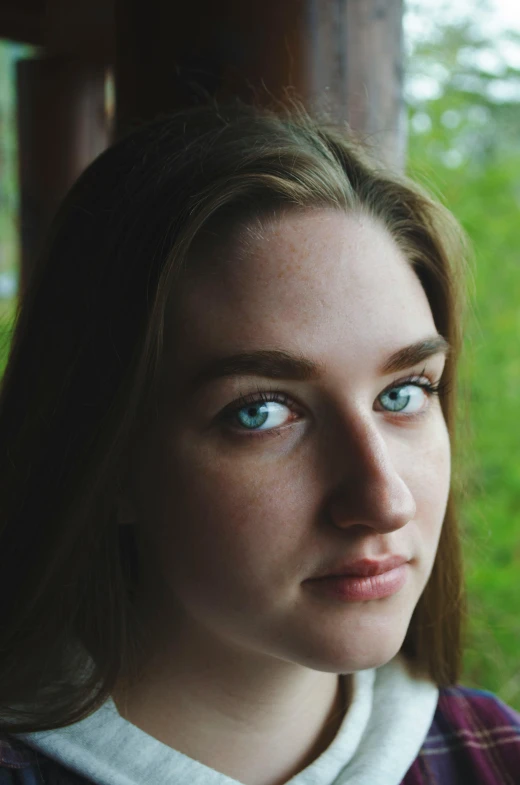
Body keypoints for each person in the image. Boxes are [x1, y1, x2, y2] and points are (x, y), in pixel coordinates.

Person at [0, 99, 518, 785]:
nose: (382, 498)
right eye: (261, 412)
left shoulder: (493, 755)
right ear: (108, 456)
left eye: (402, 393)